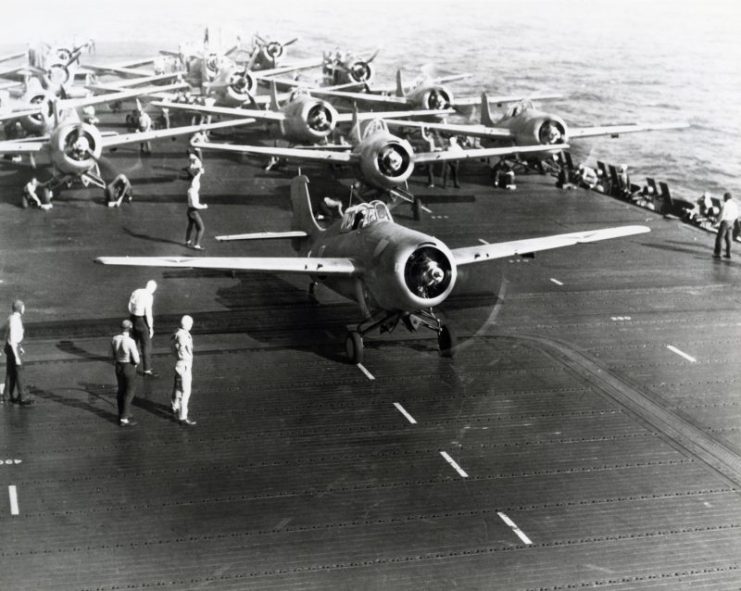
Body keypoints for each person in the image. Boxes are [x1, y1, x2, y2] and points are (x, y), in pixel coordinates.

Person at [2, 300, 34, 406]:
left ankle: (7, 396)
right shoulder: (16, 320)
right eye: (23, 307)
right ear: (20, 308)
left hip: (10, 347)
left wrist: (19, 347)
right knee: (19, 371)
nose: (24, 309)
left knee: (10, 373)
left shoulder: (10, 318)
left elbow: (6, 334)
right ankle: (23, 397)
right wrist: (17, 356)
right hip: (13, 348)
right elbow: (13, 339)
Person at [111, 319, 140, 426]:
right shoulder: (130, 341)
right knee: (130, 392)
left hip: (118, 366)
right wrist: (135, 364)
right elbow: (136, 359)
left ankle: (122, 413)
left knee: (121, 390)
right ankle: (124, 418)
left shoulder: (114, 339)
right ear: (130, 328)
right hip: (128, 366)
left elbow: (110, 354)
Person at [170, 315, 197, 426]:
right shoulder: (184, 336)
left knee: (178, 386)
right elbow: (186, 350)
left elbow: (172, 348)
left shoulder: (177, 333)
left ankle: (175, 405)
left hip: (179, 363)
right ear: (187, 324)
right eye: (190, 324)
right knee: (186, 392)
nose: (191, 326)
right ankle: (183, 416)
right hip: (185, 365)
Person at [128, 280, 158, 376]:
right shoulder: (149, 296)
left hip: (133, 318)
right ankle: (147, 369)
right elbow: (148, 313)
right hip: (142, 320)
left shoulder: (136, 291)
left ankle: (132, 365)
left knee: (133, 342)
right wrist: (150, 327)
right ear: (153, 289)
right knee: (146, 345)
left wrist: (132, 314)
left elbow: (130, 305)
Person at [186, 172, 208, 249]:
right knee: (201, 228)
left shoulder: (190, 190)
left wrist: (199, 173)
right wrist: (204, 206)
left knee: (190, 226)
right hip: (194, 212)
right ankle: (197, 245)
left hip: (189, 210)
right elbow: (195, 204)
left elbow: (195, 180)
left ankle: (187, 241)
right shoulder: (194, 193)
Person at [714, 192, 738, 259]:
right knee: (728, 239)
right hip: (732, 222)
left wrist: (716, 222)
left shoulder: (725, 204)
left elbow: (721, 215)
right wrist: (733, 222)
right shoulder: (734, 204)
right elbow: (736, 215)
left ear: (726, 197)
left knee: (719, 238)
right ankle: (728, 253)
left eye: (724, 197)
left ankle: (717, 253)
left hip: (725, 222)